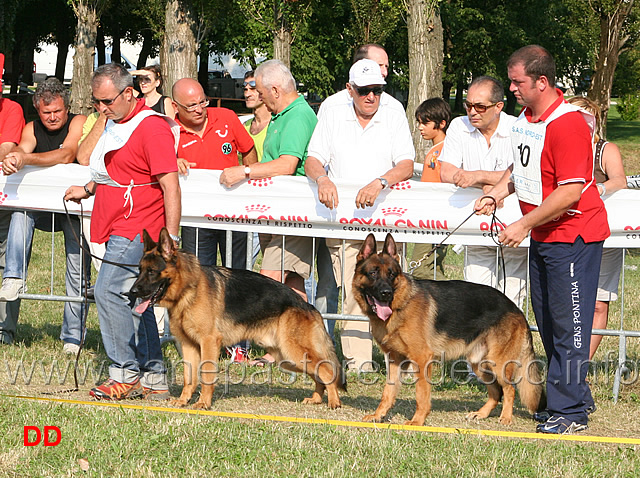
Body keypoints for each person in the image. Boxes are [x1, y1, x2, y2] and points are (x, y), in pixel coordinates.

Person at [475, 45, 609, 434]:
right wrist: (496, 192)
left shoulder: (568, 124)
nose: (511, 88)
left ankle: (570, 414)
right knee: (550, 323)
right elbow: (521, 167)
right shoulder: (528, 117)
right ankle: (572, 397)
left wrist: (522, 225)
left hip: (573, 236)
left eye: (517, 82)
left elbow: (569, 193)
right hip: (547, 235)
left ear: (542, 82)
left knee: (570, 326)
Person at [64, 63, 181, 401]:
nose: (101, 108)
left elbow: (170, 187)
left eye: (106, 101)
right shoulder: (115, 122)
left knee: (107, 291)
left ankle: (123, 373)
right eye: (96, 103)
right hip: (115, 218)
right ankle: (154, 376)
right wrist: (87, 189)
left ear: (129, 93)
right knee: (133, 299)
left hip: (140, 225)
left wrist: (169, 242)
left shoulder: (152, 128)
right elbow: (95, 160)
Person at [305, 59, 415, 372]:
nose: (372, 97)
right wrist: (322, 179)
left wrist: (381, 181)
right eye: (364, 90)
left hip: (390, 220)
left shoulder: (394, 111)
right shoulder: (332, 110)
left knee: (395, 291)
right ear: (350, 89)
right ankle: (359, 364)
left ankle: (400, 358)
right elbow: (313, 159)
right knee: (358, 293)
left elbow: (406, 163)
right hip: (344, 220)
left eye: (377, 90)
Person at [220, 60, 317, 367]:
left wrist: (244, 171)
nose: (259, 97)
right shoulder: (280, 116)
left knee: (270, 280)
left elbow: (287, 164)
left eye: (261, 91)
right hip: (276, 213)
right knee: (291, 284)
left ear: (275, 89)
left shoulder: (299, 115)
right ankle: (290, 351)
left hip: (294, 214)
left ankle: (276, 347)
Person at [0, 77, 89, 355]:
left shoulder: (78, 122)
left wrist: (25, 159)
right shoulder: (31, 128)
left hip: (72, 207)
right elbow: (21, 149)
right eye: (45, 112)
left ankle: (73, 337)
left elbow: (67, 154)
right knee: (19, 215)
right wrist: (14, 158)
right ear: (37, 111)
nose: (52, 117)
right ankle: (13, 278)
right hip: (37, 208)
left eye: (57, 111)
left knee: (76, 268)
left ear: (67, 107)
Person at [172, 77, 257, 363]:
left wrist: (248, 171)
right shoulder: (169, 130)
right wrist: (173, 161)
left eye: (203, 102)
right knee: (198, 280)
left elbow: (249, 152)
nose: (200, 109)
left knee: (238, 277)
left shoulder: (227, 117)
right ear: (175, 107)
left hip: (234, 215)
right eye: (191, 105)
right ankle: (199, 339)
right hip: (196, 217)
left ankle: (240, 344)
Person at [439, 75, 528, 309]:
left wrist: (478, 177)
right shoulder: (459, 126)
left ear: (499, 107)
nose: (472, 111)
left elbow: (524, 174)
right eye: (468, 105)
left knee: (513, 298)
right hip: (475, 221)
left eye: (480, 106)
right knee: (475, 298)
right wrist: (493, 185)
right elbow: (447, 172)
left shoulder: (519, 127)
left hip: (513, 222)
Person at [568, 96, 627, 360]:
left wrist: (599, 188)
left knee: (598, 303)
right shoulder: (557, 148)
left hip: (603, 236)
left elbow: (620, 181)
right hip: (566, 236)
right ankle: (565, 360)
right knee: (567, 303)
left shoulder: (605, 150)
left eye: (585, 118)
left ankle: (582, 365)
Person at [409, 97, 451, 281]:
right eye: (419, 122)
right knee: (432, 267)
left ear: (441, 123)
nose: (420, 127)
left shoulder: (445, 150)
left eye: (425, 123)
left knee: (421, 269)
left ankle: (458, 298)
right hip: (429, 217)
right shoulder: (435, 150)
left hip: (438, 218)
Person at [0, 75, 25, 345]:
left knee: (9, 266)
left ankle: (4, 330)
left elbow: (6, 149)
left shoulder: (12, 109)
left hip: (4, 198)